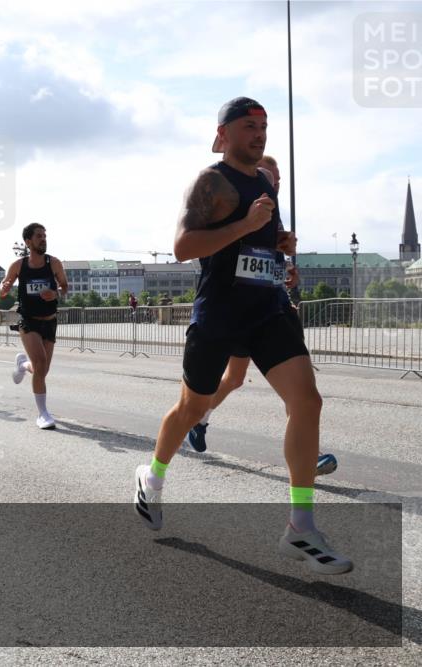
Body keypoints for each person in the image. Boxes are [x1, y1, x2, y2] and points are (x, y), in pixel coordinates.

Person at [133, 97, 351, 575]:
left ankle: (300, 526)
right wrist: (246, 225)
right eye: (249, 126)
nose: (260, 133)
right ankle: (152, 477)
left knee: (308, 401)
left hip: (268, 311)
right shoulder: (211, 181)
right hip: (220, 315)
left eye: (264, 126)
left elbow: (255, 247)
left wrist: (277, 247)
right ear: (224, 133)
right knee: (191, 407)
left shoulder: (265, 182)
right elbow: (183, 247)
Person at [184, 155, 338, 476]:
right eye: (271, 176)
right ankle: (197, 418)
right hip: (236, 308)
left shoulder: (273, 212)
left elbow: (268, 261)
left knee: (296, 389)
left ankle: (309, 453)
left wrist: (288, 270)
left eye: (278, 179)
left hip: (271, 308)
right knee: (235, 378)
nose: (275, 183)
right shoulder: (238, 202)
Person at [0, 223, 68, 428]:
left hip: (50, 320)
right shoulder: (19, 265)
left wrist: (55, 293)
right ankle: (43, 414)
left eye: (45, 235)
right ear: (28, 242)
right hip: (28, 321)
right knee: (40, 363)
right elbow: (3, 287)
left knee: (42, 369)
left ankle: (22, 365)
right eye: (39, 236)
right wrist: (4, 287)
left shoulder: (53, 263)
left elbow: (65, 287)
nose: (43, 239)